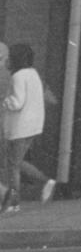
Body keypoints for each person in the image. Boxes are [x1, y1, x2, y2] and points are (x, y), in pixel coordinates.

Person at [3, 41, 45, 209]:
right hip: (33, 125)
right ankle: (46, 181)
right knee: (16, 162)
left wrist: (5, 102)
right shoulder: (33, 74)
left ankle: (14, 203)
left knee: (13, 166)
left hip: (19, 127)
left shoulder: (17, 77)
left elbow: (17, 102)